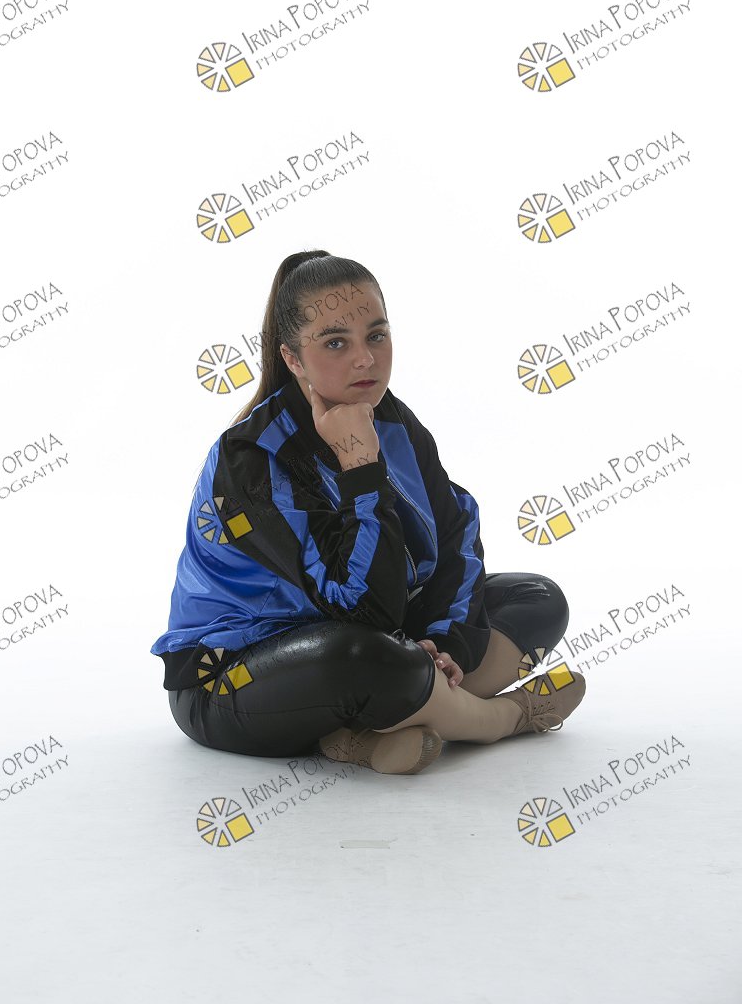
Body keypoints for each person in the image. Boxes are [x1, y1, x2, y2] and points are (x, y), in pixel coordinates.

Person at [151, 250, 586, 775]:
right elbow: (359, 608)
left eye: (376, 336)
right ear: (293, 358)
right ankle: (498, 719)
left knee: (537, 599)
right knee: (363, 655)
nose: (366, 359)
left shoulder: (394, 420)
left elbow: (455, 532)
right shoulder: (251, 457)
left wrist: (444, 644)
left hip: (380, 638)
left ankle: (366, 731)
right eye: (336, 342)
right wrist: (359, 467)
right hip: (232, 675)